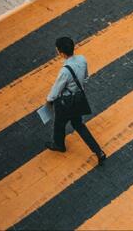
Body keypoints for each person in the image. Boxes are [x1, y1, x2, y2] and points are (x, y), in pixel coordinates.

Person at [45, 37, 106, 165]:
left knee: (59, 124)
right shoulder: (82, 59)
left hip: (66, 103)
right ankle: (98, 151)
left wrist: (49, 100)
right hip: (78, 100)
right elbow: (86, 77)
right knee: (79, 125)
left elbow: (56, 89)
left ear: (61, 53)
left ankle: (59, 145)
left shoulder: (65, 71)